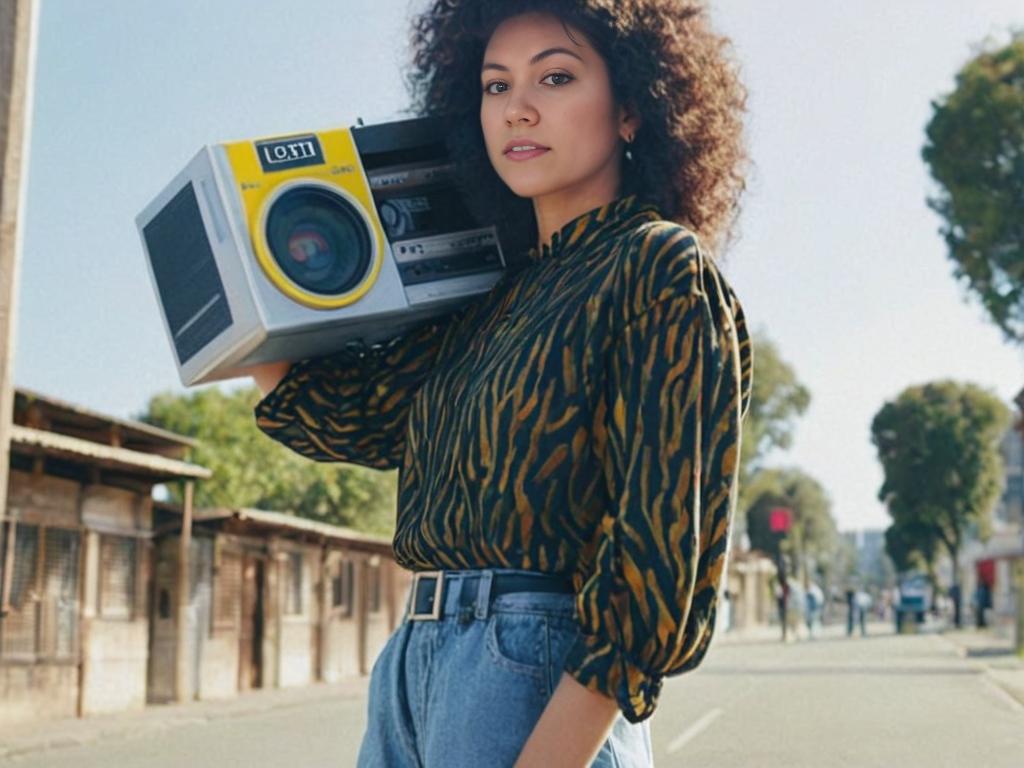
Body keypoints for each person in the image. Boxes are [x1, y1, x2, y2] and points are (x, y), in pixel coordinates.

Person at [251, 2, 752, 765]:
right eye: (493, 86)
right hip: (411, 670)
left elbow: (657, 576)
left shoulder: (658, 269)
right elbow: (343, 416)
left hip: (536, 674)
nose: (517, 107)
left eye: (555, 76)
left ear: (631, 109)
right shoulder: (489, 300)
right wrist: (266, 267)